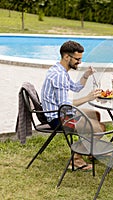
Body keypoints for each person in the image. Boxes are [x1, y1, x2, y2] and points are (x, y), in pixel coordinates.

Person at [41, 40, 105, 171]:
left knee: (96, 115)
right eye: (77, 59)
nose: (79, 62)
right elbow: (64, 106)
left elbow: (75, 88)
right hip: (58, 118)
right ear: (66, 57)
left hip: (59, 112)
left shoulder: (60, 70)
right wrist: (88, 97)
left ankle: (90, 150)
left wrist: (86, 75)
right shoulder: (59, 76)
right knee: (98, 129)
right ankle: (76, 158)